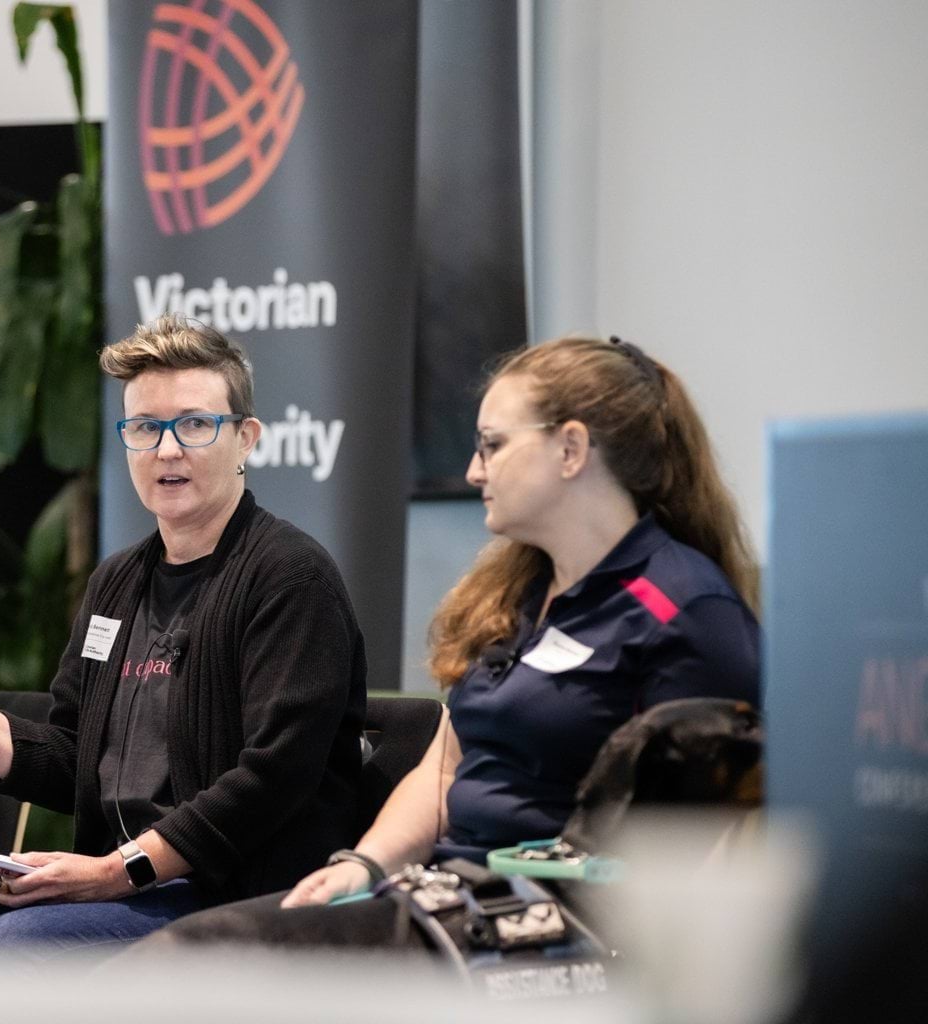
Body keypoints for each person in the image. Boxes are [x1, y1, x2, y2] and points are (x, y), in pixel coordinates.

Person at [135, 334, 762, 948]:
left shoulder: (686, 610)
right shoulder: (516, 594)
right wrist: (364, 865)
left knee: (202, 956)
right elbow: (446, 770)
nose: (472, 469)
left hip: (555, 931)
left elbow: (695, 853)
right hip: (451, 894)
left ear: (571, 450)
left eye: (492, 445)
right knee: (199, 951)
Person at [0, 314, 367, 968]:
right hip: (128, 885)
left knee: (9, 954)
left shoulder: (290, 577)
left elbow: (272, 779)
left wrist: (117, 871)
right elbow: (77, 759)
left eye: (193, 424)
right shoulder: (118, 583)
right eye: (144, 428)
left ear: (246, 438)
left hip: (236, 892)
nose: (166, 450)